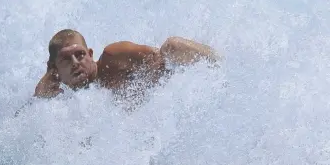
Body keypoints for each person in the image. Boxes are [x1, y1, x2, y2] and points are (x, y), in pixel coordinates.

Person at [33, 29, 221, 109]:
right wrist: (38, 97)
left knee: (173, 46)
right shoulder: (60, 101)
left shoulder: (113, 57)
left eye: (80, 54)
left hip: (180, 87)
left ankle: (224, 64)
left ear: (90, 54)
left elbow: (161, 62)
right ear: (54, 68)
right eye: (66, 59)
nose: (75, 62)